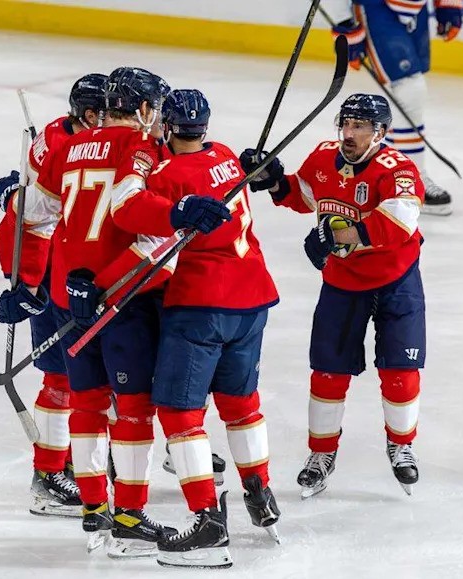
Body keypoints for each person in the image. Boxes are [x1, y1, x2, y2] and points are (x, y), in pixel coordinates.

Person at [0, 66, 230, 558]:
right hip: (120, 294)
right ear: (145, 110)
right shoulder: (142, 150)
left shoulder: (66, 147)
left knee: (86, 402)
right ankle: (127, 516)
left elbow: (33, 211)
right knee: (134, 408)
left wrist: (9, 197)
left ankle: (92, 511)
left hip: (68, 294)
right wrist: (179, 213)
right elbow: (142, 222)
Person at [95, 88, 280, 568]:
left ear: (171, 128)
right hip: (254, 297)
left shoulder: (169, 174)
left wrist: (101, 287)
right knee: (240, 404)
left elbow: (129, 213)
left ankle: (208, 525)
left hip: (201, 304)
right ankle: (259, 491)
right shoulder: (226, 159)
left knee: (178, 412)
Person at [241, 93, 426, 499]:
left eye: (360, 127)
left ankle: (401, 445)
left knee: (400, 371)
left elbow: (399, 221)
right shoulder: (324, 158)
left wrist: (337, 234)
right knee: (328, 372)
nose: (349, 133)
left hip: (395, 280)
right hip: (343, 281)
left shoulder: (398, 170)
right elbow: (304, 196)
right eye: (346, 124)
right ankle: (321, 455)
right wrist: (271, 178)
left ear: (380, 133)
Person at [0, 73, 107, 518]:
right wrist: (27, 284)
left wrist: (11, 197)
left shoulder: (65, 134)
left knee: (95, 377)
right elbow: (29, 223)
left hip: (73, 271)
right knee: (63, 379)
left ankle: (85, 463)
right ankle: (48, 474)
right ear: (92, 114)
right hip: (58, 276)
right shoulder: (64, 148)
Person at [330, 0, 463, 215]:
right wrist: (343, 20)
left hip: (416, 8)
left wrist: (449, 3)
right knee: (408, 89)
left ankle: (385, 175)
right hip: (376, 8)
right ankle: (412, 181)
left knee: (403, 92)